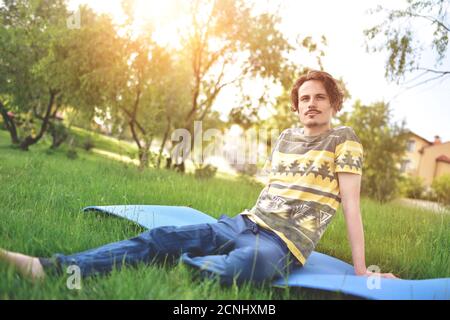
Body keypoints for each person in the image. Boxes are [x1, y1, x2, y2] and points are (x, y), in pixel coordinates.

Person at [0, 70, 399, 285]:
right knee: (159, 237)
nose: (311, 104)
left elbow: (350, 204)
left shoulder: (344, 139)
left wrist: (362, 272)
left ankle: (188, 266)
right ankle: (49, 269)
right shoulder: (284, 138)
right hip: (245, 222)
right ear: (297, 107)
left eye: (320, 97)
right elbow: (272, 190)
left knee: (245, 268)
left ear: (333, 104)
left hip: (284, 244)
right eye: (305, 98)